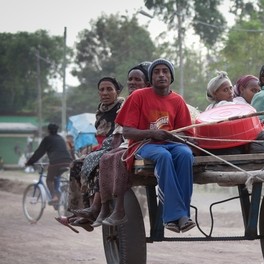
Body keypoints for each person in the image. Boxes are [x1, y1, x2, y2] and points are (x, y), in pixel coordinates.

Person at [115, 58, 196, 233]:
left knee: (186, 154)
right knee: (163, 156)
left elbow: (186, 135)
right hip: (144, 145)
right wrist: (153, 133)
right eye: (156, 72)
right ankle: (175, 217)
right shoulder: (138, 96)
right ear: (150, 78)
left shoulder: (178, 101)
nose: (161, 75)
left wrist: (176, 137)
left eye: (165, 71)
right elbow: (127, 132)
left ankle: (182, 216)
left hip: (171, 144)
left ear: (171, 77)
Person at [93, 62, 151, 226]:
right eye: (130, 79)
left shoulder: (149, 99)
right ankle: (102, 207)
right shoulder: (129, 102)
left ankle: (118, 209)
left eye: (137, 79)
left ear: (146, 83)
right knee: (105, 158)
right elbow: (120, 129)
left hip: (143, 142)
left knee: (117, 158)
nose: (132, 82)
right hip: (129, 142)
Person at [69, 77, 124, 226]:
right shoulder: (100, 112)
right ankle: (79, 211)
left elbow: (119, 134)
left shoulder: (123, 107)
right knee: (76, 165)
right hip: (103, 147)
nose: (105, 93)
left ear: (117, 91)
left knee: (97, 162)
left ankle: (95, 208)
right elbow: (100, 137)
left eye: (109, 89)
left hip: (118, 146)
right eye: (102, 89)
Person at [25, 123, 73, 204]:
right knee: (56, 175)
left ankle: (54, 196)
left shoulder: (47, 139)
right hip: (67, 162)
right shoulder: (61, 138)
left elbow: (39, 152)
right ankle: (58, 196)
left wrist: (29, 162)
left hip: (56, 162)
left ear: (48, 130)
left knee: (49, 180)